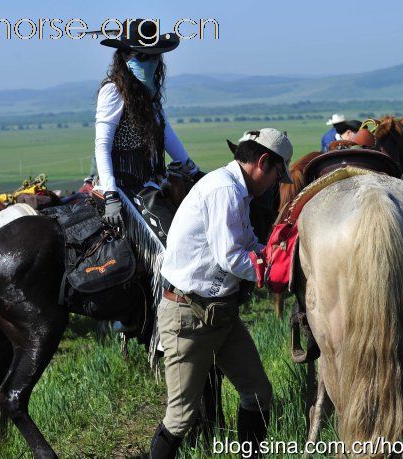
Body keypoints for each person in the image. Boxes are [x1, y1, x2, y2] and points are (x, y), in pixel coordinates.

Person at [149, 128, 293, 458]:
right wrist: (270, 270)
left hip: (220, 314)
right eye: (276, 174)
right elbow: (229, 258)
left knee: (257, 393)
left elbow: (246, 244)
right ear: (263, 162)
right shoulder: (224, 191)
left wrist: (272, 252)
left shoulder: (236, 191)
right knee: (180, 418)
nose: (275, 183)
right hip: (188, 316)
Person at [90, 19, 203, 248]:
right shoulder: (113, 90)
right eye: (142, 56)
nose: (150, 62)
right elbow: (102, 144)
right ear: (124, 57)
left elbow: (165, 133)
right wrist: (111, 193)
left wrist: (192, 169)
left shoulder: (148, 94)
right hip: (124, 184)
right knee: (172, 242)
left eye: (154, 56)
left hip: (149, 180)